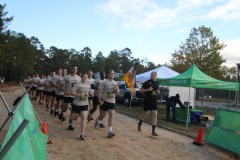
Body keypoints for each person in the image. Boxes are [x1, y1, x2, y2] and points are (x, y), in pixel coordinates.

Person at [94, 69, 120, 138]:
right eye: (111, 73)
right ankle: (98, 120)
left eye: (113, 73)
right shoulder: (104, 82)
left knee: (111, 115)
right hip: (105, 100)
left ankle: (109, 131)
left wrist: (116, 90)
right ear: (108, 74)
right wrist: (99, 100)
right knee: (103, 114)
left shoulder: (116, 83)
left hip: (112, 101)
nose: (112, 75)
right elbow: (99, 91)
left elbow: (118, 93)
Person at [70, 74, 93, 140]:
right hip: (77, 103)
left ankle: (82, 134)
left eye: (86, 77)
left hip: (85, 104)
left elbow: (90, 93)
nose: (85, 78)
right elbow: (71, 92)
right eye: (84, 76)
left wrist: (91, 94)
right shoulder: (78, 84)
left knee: (83, 118)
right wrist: (79, 94)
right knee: (75, 118)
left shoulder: (88, 85)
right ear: (81, 77)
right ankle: (72, 116)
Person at [137, 71, 160, 136]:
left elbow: (157, 90)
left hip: (154, 100)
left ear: (155, 75)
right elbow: (140, 91)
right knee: (145, 113)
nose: (151, 76)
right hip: (147, 100)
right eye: (151, 75)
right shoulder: (147, 82)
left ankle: (153, 131)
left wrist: (158, 91)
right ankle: (140, 123)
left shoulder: (157, 83)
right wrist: (148, 89)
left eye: (152, 75)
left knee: (155, 114)